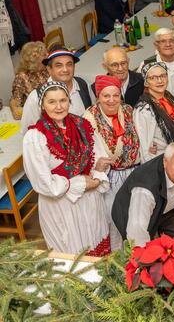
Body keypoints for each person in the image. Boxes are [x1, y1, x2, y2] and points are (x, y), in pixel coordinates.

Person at [23, 81, 111, 256]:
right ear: (42, 105)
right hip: (61, 206)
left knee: (97, 251)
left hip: (90, 201)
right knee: (71, 257)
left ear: (69, 101)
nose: (58, 107)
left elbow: (99, 157)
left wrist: (98, 174)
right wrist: (80, 183)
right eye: (52, 102)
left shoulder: (82, 125)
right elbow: (44, 183)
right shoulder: (35, 137)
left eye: (63, 100)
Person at [112, 141, 174, 247]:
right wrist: (148, 257)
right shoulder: (145, 189)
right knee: (147, 253)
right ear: (165, 162)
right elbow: (137, 232)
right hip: (133, 214)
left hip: (167, 210)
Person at [84, 75, 140, 251]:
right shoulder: (88, 119)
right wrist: (96, 166)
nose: (111, 100)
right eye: (106, 96)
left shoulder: (129, 111)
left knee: (136, 216)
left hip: (134, 173)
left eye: (115, 95)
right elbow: (85, 152)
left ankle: (140, 255)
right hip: (110, 177)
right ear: (98, 97)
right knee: (114, 218)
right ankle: (118, 258)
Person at [21, 48, 93, 134]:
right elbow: (28, 132)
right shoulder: (36, 97)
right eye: (59, 65)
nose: (65, 70)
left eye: (69, 64)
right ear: (49, 69)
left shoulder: (83, 85)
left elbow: (93, 114)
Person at [134, 62, 174, 163]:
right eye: (153, 78)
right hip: (160, 159)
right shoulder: (144, 109)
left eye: (163, 76)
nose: (159, 81)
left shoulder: (168, 96)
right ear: (146, 83)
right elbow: (144, 147)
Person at [139, 28, 174, 106]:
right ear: (156, 45)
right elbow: (141, 92)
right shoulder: (146, 65)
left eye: (171, 41)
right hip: (160, 112)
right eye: (163, 41)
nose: (168, 44)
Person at [10, 41, 48, 120]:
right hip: (38, 117)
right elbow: (15, 104)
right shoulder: (22, 77)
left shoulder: (46, 69)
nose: (48, 56)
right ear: (34, 59)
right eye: (44, 55)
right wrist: (16, 109)